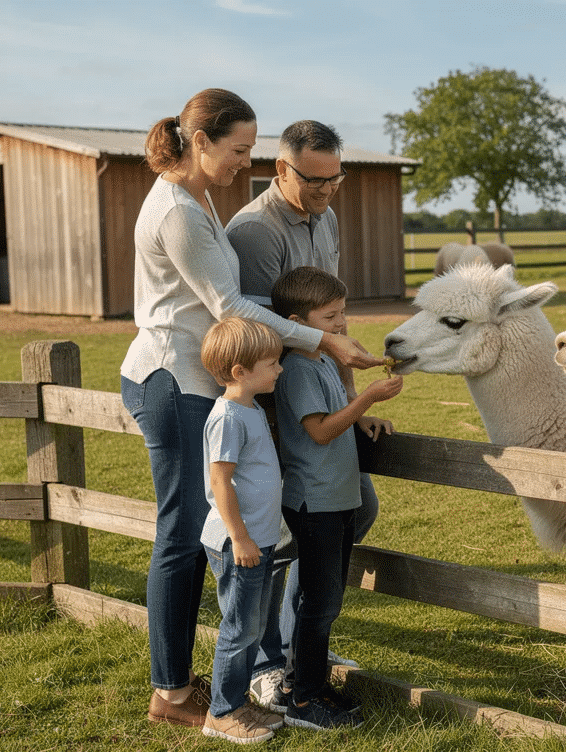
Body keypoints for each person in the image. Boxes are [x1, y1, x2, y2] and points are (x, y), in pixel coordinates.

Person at [119, 88, 382, 728]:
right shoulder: (180, 210)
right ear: (200, 141)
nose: (247, 162)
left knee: (222, 530)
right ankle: (174, 693)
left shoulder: (198, 194)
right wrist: (322, 340)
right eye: (239, 149)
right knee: (181, 537)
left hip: (197, 377)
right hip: (174, 375)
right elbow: (230, 308)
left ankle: (255, 660)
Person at [226, 120, 380, 710]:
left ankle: (300, 646)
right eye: (313, 181)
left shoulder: (328, 216)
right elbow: (269, 328)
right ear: (280, 169)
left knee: (355, 509)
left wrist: (347, 392)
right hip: (274, 397)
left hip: (320, 385)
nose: (325, 191)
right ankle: (272, 663)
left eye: (334, 178)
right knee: (277, 533)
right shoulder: (256, 232)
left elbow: (328, 317)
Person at [270, 266, 403, 730]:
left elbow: (338, 419)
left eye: (343, 313)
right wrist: (367, 400)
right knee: (320, 602)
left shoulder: (325, 361)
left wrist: (364, 418)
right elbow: (321, 432)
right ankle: (304, 702)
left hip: (338, 499)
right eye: (330, 317)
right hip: (316, 504)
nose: (342, 323)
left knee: (322, 599)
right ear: (297, 321)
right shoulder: (298, 370)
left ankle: (299, 685)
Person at [197, 318, 288, 743]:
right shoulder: (228, 417)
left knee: (250, 625)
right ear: (240, 372)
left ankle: (238, 702)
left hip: (257, 540)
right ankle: (223, 712)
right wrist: (241, 537)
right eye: (273, 363)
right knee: (239, 627)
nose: (280, 370)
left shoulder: (250, 409)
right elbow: (220, 481)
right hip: (240, 544)